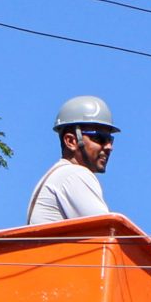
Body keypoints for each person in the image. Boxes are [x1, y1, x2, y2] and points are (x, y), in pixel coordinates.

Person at [26, 95, 118, 223]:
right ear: (71, 141)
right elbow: (106, 231)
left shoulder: (60, 174)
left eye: (110, 140)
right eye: (100, 138)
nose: (109, 147)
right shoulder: (74, 174)